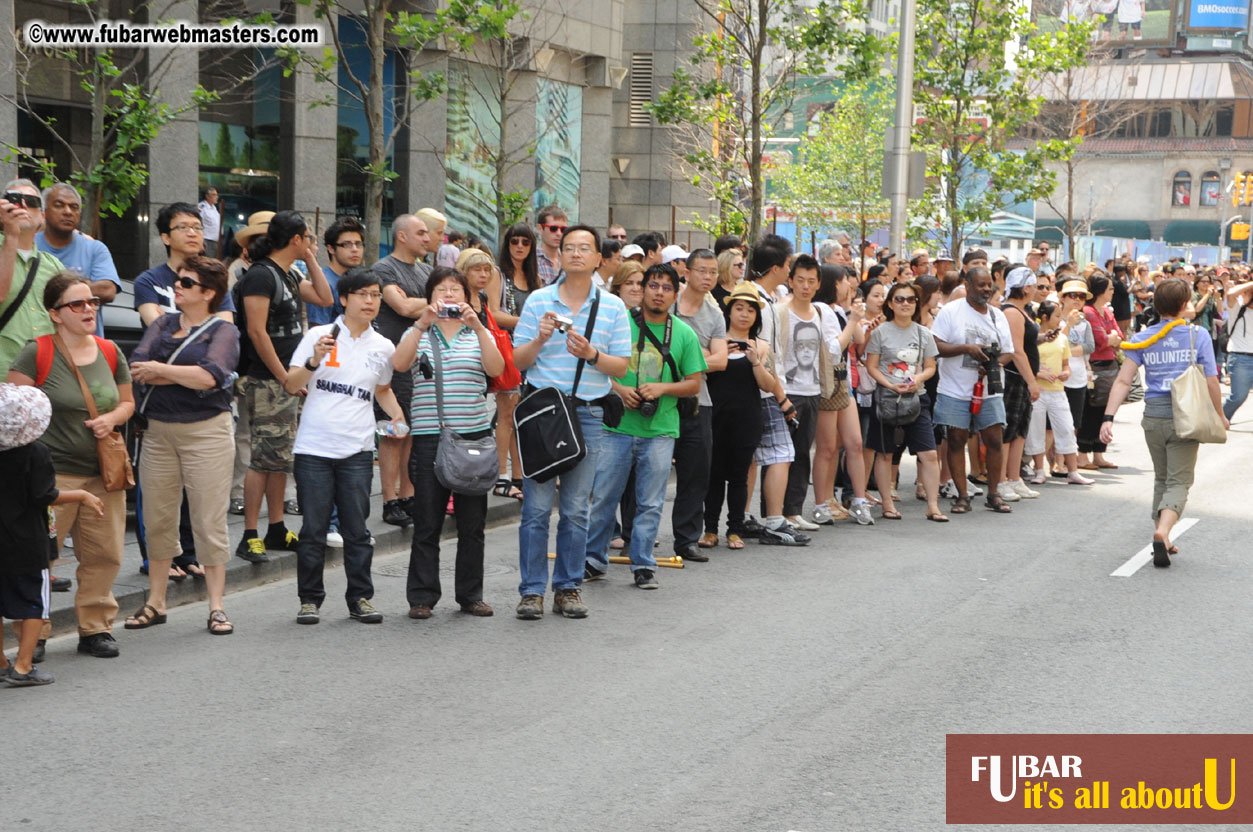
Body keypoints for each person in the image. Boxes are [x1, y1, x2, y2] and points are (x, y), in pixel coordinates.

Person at [7, 271, 134, 658]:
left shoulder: (111, 351)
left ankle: (95, 628)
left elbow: (127, 402)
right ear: (55, 313)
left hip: (103, 472)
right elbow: (12, 413)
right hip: (51, 474)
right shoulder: (38, 352)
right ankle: (36, 633)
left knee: (105, 553)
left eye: (92, 302)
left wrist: (112, 419)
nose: (88, 309)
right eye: (77, 304)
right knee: (41, 555)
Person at [511, 224, 631, 619]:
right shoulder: (538, 302)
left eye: (585, 248)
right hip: (544, 413)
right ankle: (531, 591)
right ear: (558, 256)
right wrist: (540, 338)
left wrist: (592, 354)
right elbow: (518, 362)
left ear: (600, 258)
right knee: (536, 508)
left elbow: (622, 366)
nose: (576, 254)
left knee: (577, 508)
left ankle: (568, 587)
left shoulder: (611, 306)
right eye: (569, 248)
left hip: (589, 413)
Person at [125, 256, 240, 634]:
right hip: (157, 432)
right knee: (158, 518)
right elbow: (137, 367)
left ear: (209, 293)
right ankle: (155, 602)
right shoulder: (161, 323)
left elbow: (211, 376)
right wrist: (177, 375)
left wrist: (162, 371)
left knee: (208, 519)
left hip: (206, 432)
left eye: (187, 283)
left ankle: (217, 606)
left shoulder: (222, 330)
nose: (178, 286)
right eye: (178, 280)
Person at [285, 266, 403, 626]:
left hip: (357, 448)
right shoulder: (319, 335)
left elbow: (381, 389)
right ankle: (310, 600)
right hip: (314, 447)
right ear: (344, 299)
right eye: (363, 295)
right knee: (313, 530)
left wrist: (398, 419)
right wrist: (313, 360)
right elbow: (292, 384)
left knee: (357, 530)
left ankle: (361, 598)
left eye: (376, 295)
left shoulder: (383, 346)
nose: (370, 302)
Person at [584, 263, 704, 589]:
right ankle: (593, 560)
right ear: (642, 289)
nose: (659, 293)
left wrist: (662, 389)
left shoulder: (684, 333)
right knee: (605, 497)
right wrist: (620, 391)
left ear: (675, 295)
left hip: (661, 429)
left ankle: (643, 565)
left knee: (650, 503)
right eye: (653, 285)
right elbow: (596, 366)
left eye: (667, 288)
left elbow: (694, 383)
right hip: (617, 426)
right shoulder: (620, 323)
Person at [391, 268, 502, 619]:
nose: (450, 296)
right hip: (429, 438)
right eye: (442, 290)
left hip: (473, 437)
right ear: (430, 296)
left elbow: (496, 368)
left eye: (457, 290)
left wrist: (480, 327)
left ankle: (471, 595)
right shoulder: (421, 333)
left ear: (468, 298)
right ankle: (422, 597)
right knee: (427, 520)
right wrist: (421, 323)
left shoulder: (476, 334)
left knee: (473, 523)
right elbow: (399, 363)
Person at [1102, 278, 1226, 566]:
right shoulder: (1198, 336)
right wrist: (1219, 414)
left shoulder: (1144, 338)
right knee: (1179, 480)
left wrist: (1108, 417)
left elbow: (1123, 380)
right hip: (1186, 415)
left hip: (1154, 415)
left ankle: (1164, 537)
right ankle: (1163, 530)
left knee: (1161, 477)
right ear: (1184, 305)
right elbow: (1211, 380)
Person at [233, 211, 334, 561]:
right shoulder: (260, 276)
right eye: (308, 238)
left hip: (289, 378)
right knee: (262, 459)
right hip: (266, 379)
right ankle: (249, 535)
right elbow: (256, 332)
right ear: (295, 238)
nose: (312, 244)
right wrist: (282, 377)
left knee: (279, 459)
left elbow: (325, 298)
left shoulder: (289, 274)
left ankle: (275, 527)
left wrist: (310, 259)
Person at [0, 384, 103, 687]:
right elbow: (45, 495)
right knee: (34, 603)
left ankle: (1, 661)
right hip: (27, 542)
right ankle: (23, 665)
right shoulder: (35, 453)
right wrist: (82, 495)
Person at [930, 266, 1015, 514]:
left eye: (989, 285)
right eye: (981, 285)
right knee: (956, 440)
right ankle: (962, 495)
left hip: (989, 389)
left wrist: (993, 364)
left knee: (994, 440)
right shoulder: (950, 312)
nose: (986, 289)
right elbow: (936, 345)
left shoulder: (998, 316)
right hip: (954, 388)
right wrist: (966, 349)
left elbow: (1009, 351)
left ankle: (994, 493)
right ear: (967, 285)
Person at [743, 234, 810, 545]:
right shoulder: (760, 301)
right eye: (787, 265)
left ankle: (745, 516)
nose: (789, 270)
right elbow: (765, 353)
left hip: (764, 388)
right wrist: (781, 397)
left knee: (755, 457)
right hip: (765, 389)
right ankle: (774, 520)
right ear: (775, 267)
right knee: (782, 454)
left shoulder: (765, 298)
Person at [863, 281, 945, 521]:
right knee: (885, 453)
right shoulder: (880, 332)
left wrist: (918, 378)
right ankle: (887, 503)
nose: (906, 304)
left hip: (916, 399)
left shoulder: (923, 333)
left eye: (910, 299)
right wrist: (889, 384)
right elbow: (871, 366)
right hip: (887, 399)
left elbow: (930, 367)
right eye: (900, 299)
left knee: (929, 453)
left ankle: (933, 505)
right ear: (890, 303)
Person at [704, 283, 776, 548]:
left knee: (738, 477)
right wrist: (720, 355)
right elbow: (701, 370)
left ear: (757, 316)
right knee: (713, 476)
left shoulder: (760, 346)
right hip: (715, 418)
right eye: (739, 308)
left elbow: (769, 385)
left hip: (746, 420)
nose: (744, 314)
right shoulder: (716, 340)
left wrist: (755, 359)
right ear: (729, 310)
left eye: (750, 310)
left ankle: (735, 529)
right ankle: (709, 529)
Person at [373, 214, 433, 526]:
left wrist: (427, 302)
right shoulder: (384, 269)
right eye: (420, 233)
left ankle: (408, 494)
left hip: (421, 362)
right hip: (393, 360)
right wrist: (434, 302)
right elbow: (403, 307)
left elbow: (429, 303)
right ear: (402, 236)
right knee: (393, 430)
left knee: (413, 429)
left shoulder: (426, 270)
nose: (427, 238)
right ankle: (389, 499)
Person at [778, 254, 841, 531]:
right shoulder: (780, 311)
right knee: (780, 455)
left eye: (811, 281)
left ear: (818, 285)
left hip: (812, 390)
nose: (805, 286)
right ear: (789, 281)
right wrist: (779, 393)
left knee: (802, 452)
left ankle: (793, 511)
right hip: (785, 391)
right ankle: (773, 511)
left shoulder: (819, 313)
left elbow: (828, 351)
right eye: (800, 280)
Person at [673, 249, 727, 559]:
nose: (707, 278)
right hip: (663, 397)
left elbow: (721, 361)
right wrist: (701, 359)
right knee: (645, 470)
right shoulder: (669, 304)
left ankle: (686, 540)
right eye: (702, 271)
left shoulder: (715, 314)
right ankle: (631, 535)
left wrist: (687, 361)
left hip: (699, 401)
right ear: (688, 272)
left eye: (712, 273)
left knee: (696, 472)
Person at [811, 265, 867, 524]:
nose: (849, 285)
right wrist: (853, 319)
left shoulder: (835, 310)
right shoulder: (822, 310)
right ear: (834, 283)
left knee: (854, 442)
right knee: (827, 447)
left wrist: (851, 313)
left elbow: (859, 340)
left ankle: (859, 499)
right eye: (845, 280)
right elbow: (835, 349)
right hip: (830, 380)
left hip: (844, 381)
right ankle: (821, 503)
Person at [35, 183, 120, 339]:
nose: (68, 212)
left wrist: (50, 290)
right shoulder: (30, 245)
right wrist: (85, 287)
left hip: (87, 349)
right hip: (40, 346)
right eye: (59, 205)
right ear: (44, 212)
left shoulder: (95, 248)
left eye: (74, 207)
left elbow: (108, 290)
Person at [135, 202, 236, 326]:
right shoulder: (148, 281)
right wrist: (206, 327)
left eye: (197, 227)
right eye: (183, 227)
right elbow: (158, 332)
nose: (192, 233)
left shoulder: (214, 279)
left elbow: (224, 332)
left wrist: (170, 323)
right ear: (166, 238)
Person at [1024, 300, 1092, 485]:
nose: (1059, 319)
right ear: (1044, 317)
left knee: (1067, 428)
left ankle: (1073, 471)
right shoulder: (1033, 339)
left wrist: (1065, 374)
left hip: (1057, 391)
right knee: (1036, 430)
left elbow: (1066, 365)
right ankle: (1039, 470)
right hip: (1038, 391)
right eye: (1056, 316)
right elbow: (1026, 366)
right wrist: (1040, 375)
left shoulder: (1062, 338)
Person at [0, 180, 63, 377]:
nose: (24, 206)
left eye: (32, 201)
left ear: (42, 218)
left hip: (46, 378)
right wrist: (11, 235)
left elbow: (67, 322)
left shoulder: (54, 266)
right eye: (14, 200)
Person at [997, 266, 1043, 502]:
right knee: (1008, 430)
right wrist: (1031, 381)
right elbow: (1016, 350)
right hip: (1014, 378)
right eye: (1034, 285)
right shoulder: (1012, 312)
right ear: (1026, 287)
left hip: (1022, 378)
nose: (1036, 290)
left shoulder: (1023, 312)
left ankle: (1014, 477)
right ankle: (1002, 480)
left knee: (1019, 431)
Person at [1077, 274, 1122, 470]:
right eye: (1110, 288)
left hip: (1109, 366)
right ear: (1101, 291)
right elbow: (1100, 340)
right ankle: (1082, 454)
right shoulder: (1088, 312)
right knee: (1090, 411)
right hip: (1093, 367)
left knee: (1105, 410)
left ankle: (1099, 453)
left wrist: (1111, 337)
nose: (1113, 292)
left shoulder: (1106, 312)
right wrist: (1110, 337)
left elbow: (1118, 335)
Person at [1221, 274, 1253, 420]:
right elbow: (1232, 293)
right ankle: (1219, 419)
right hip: (1240, 359)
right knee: (1238, 396)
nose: (1244, 295)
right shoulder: (1238, 310)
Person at [535, 205, 568, 286]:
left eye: (563, 229)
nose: (559, 233)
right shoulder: (530, 259)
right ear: (540, 229)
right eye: (553, 228)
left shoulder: (568, 259)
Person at [198, 187, 222, 258]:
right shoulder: (202, 207)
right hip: (207, 241)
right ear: (207, 196)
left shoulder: (214, 208)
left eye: (217, 195)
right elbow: (199, 223)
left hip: (216, 241)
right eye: (214, 195)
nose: (216, 197)